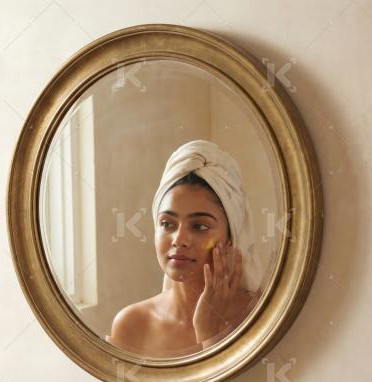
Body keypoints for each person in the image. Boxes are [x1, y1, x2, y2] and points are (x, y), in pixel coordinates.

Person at [110, 140, 263, 357]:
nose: (179, 240)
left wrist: (209, 333)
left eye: (200, 226)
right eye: (167, 224)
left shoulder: (261, 317)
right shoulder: (131, 324)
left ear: (231, 237)